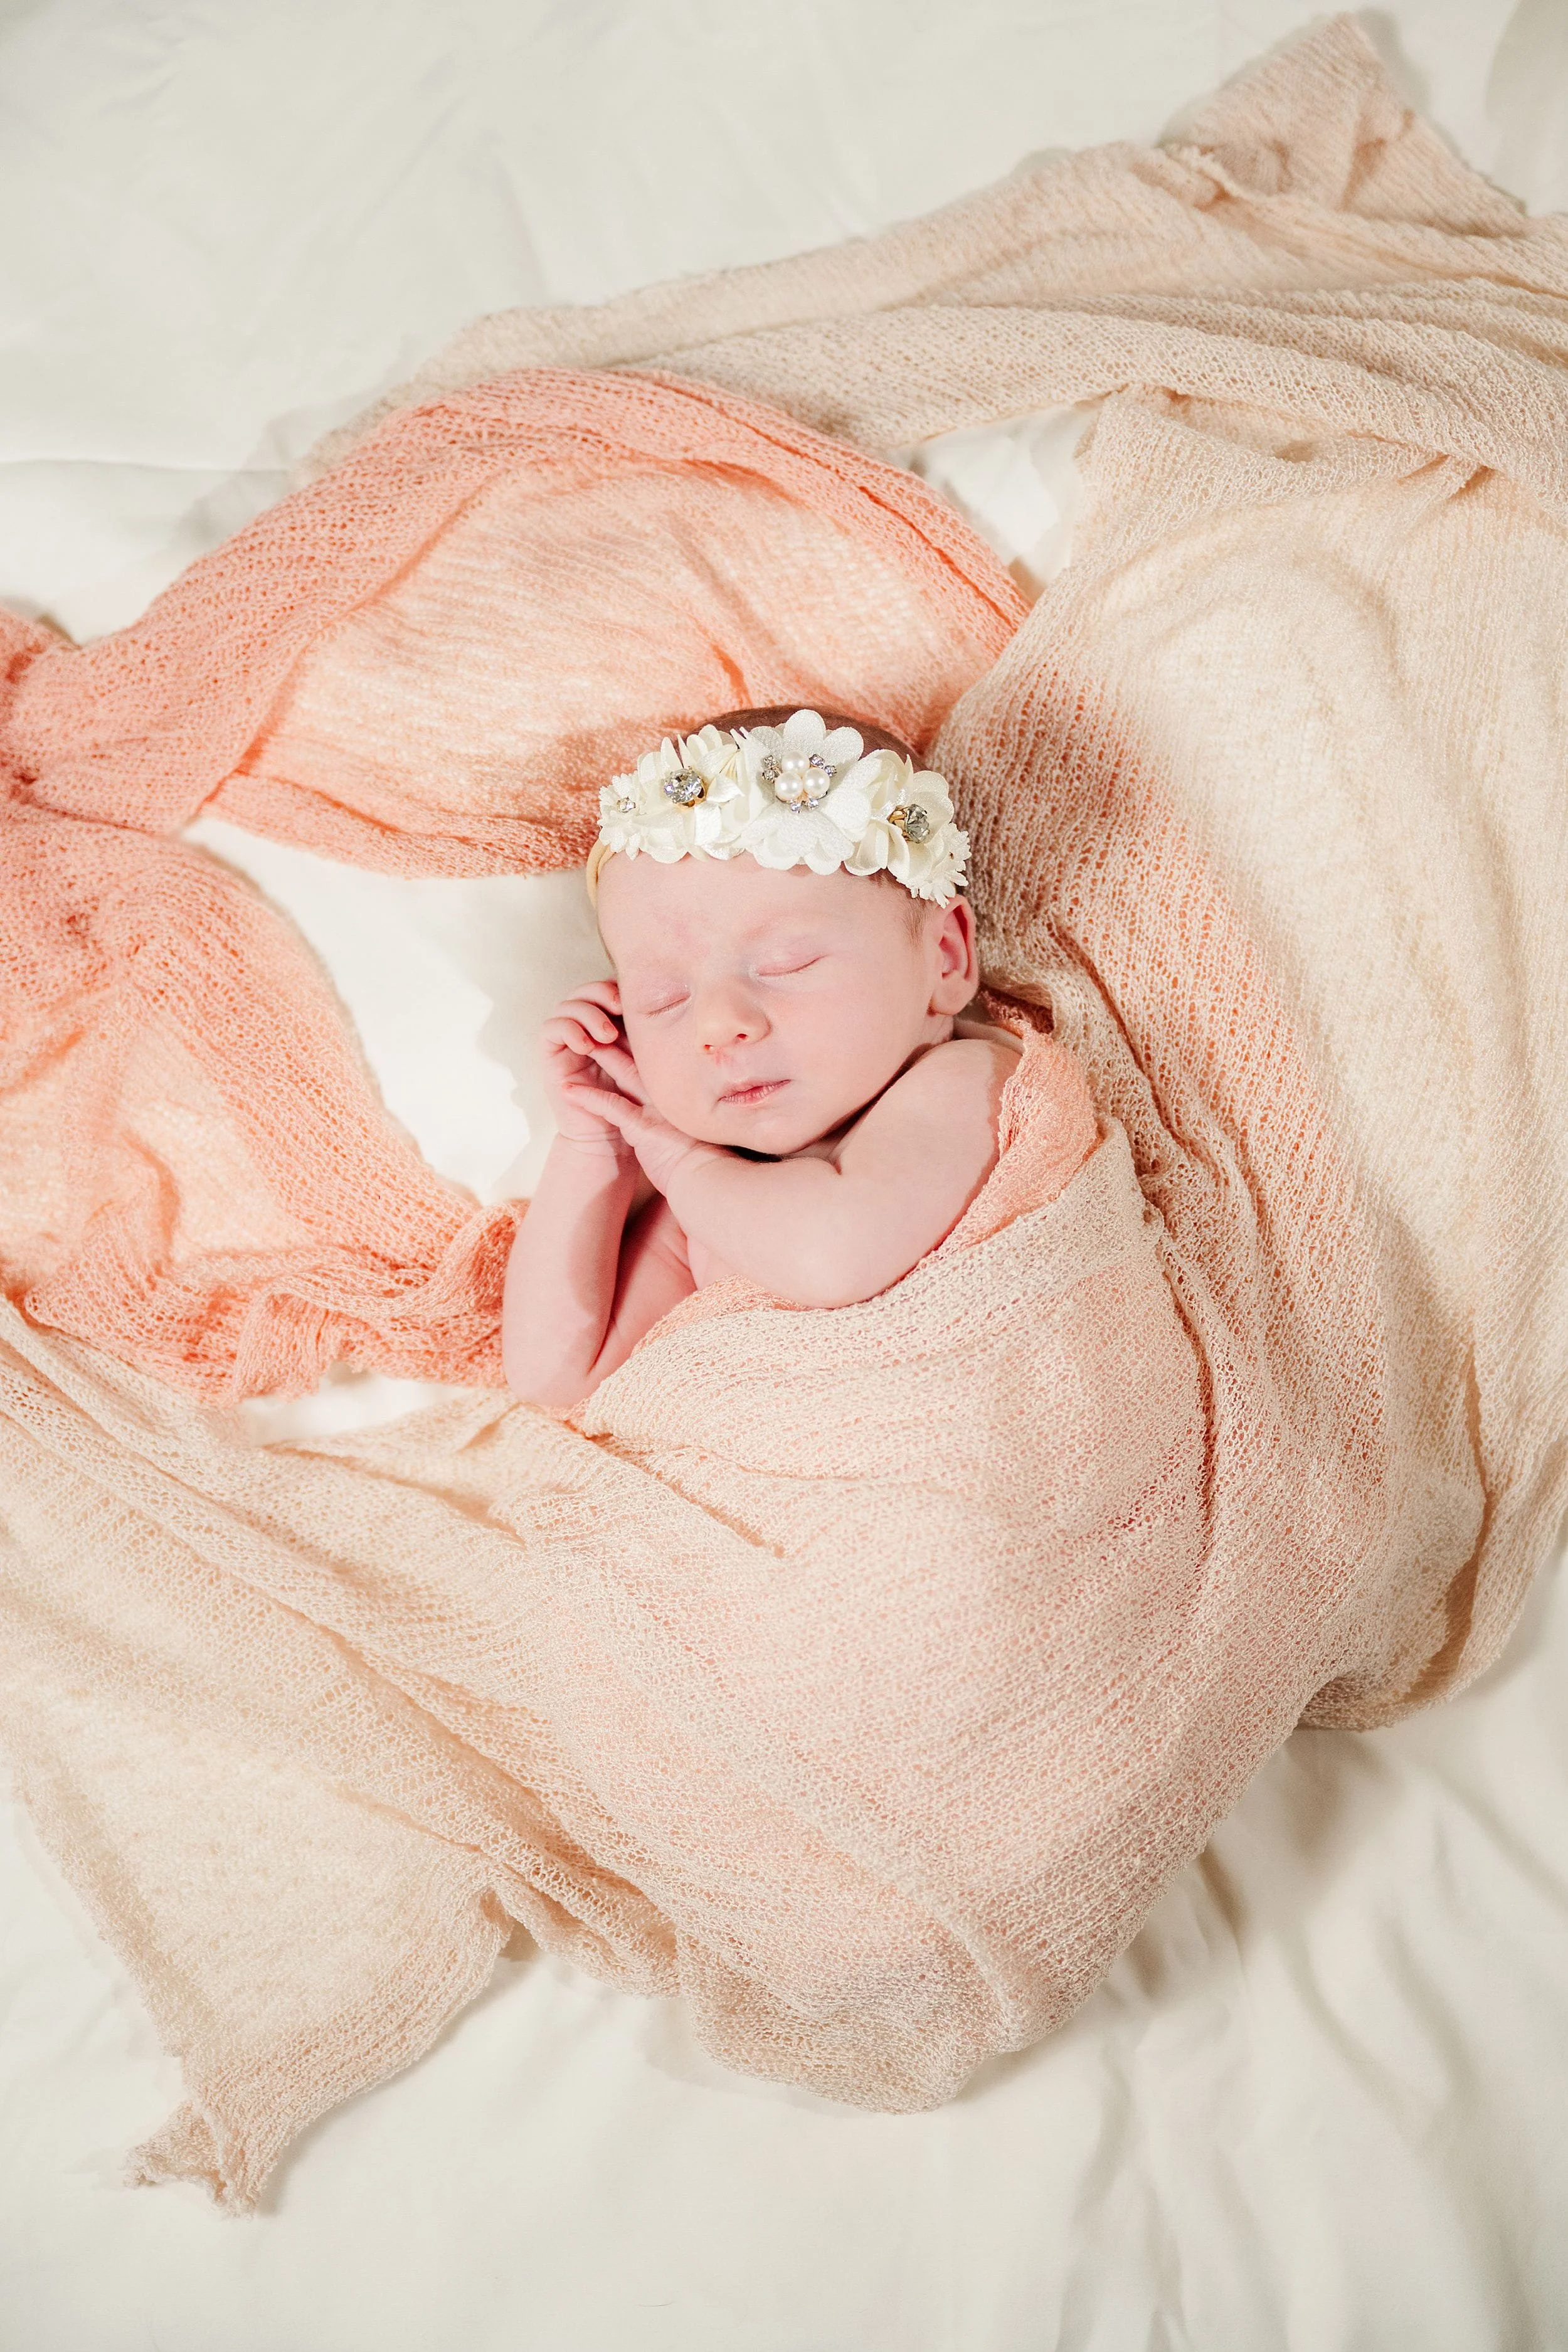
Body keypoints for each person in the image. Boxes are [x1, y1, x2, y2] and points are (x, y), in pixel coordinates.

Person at [502, 707, 1020, 1408]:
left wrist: (685, 1169)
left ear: (945, 958)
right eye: (663, 999)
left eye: (786, 964)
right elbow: (559, 1378)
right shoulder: (707, 1191)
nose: (718, 1026)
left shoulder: (970, 1085)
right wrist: (598, 1140)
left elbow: (834, 1256)